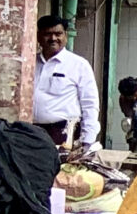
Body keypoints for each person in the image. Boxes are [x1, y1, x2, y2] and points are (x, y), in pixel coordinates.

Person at [32, 14, 101, 151]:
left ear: (65, 36)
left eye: (58, 34)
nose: (53, 39)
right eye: (48, 34)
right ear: (39, 36)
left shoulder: (78, 65)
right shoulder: (29, 63)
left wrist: (88, 140)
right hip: (31, 132)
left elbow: (90, 104)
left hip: (62, 136)